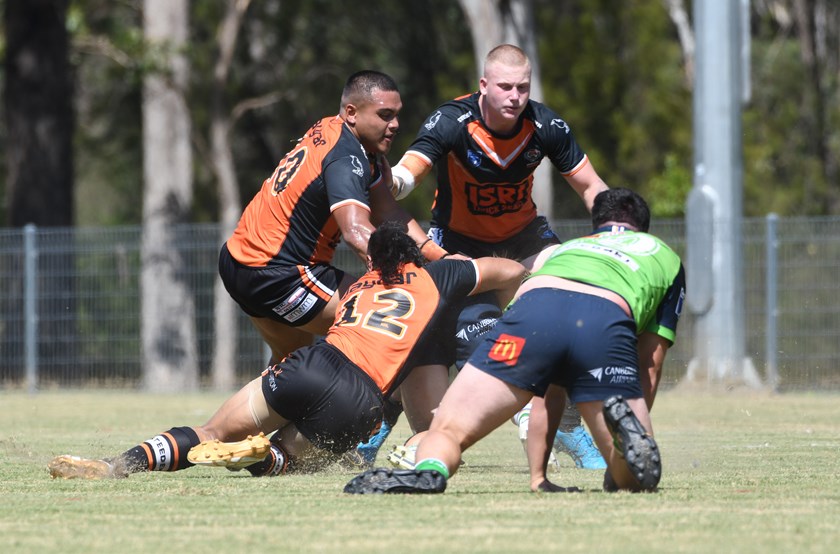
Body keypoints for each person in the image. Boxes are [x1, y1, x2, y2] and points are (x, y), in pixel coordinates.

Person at [48, 222, 527, 480]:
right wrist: (493, 284)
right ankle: (263, 458)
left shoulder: (358, 285)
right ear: (411, 257)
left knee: (211, 428)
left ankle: (120, 464)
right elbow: (503, 270)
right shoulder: (436, 276)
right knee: (290, 460)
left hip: (314, 363)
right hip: (360, 401)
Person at [344, 188, 686, 494]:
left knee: (447, 430)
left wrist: (538, 477)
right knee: (633, 476)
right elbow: (650, 364)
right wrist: (639, 420)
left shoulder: (571, 249)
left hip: (533, 310)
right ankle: (624, 453)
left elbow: (545, 392)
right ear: (643, 226)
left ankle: (430, 471)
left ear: (597, 226)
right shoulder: (662, 255)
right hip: (603, 318)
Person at [374, 43, 609, 469]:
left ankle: (568, 430)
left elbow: (592, 187)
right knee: (443, 337)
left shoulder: (546, 124)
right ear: (484, 86)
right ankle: (379, 421)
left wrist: (616, 228)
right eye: (504, 87)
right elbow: (411, 169)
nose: (515, 96)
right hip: (458, 244)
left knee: (571, 307)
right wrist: (387, 182)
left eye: (522, 87)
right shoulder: (453, 119)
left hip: (525, 238)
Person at [219, 70, 448, 370]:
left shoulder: (339, 132)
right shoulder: (346, 157)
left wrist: (442, 257)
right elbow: (356, 232)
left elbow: (389, 212)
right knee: (398, 325)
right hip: (280, 275)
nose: (394, 125)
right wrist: (408, 276)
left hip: (239, 262)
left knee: (290, 365)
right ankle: (383, 415)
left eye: (396, 115)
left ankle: (218, 421)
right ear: (352, 113)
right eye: (384, 115)